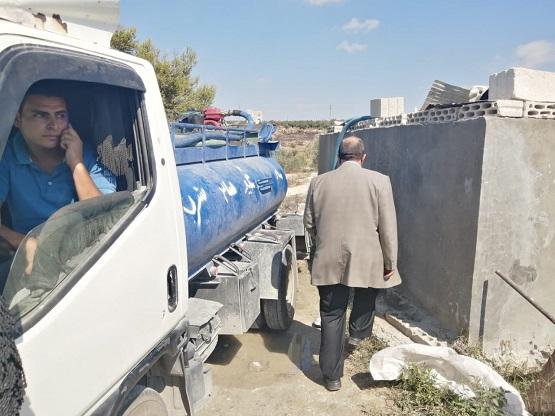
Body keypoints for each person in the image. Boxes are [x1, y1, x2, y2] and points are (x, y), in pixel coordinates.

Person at [303, 135, 401, 391]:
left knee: (332, 314)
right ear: (363, 157)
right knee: (368, 291)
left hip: (329, 258)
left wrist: (325, 243)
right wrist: (390, 261)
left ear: (339, 157)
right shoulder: (379, 181)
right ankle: (358, 334)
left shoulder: (318, 182)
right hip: (367, 257)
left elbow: (309, 223)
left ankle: (332, 377)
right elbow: (388, 227)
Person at [0, 81, 116, 291]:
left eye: (60, 115)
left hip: (82, 261)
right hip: (26, 265)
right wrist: (25, 244)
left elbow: (105, 219)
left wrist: (76, 164)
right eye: (40, 115)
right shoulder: (6, 156)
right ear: (17, 119)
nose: (53, 125)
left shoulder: (83, 154)